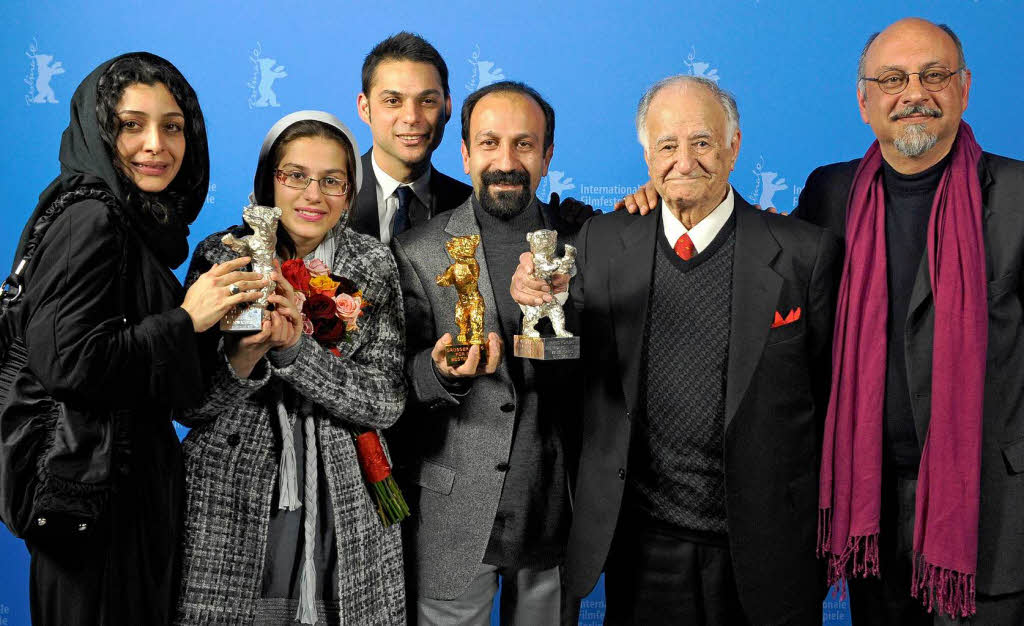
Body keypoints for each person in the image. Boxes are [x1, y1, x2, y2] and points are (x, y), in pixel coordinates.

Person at [615, 17, 1024, 625]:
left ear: (964, 89)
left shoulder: (1018, 196)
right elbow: (755, 249)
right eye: (893, 78)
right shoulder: (831, 193)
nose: (915, 92)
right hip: (866, 500)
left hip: (985, 504)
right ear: (865, 101)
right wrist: (668, 195)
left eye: (934, 75)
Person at [512, 75, 841, 625]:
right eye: (667, 145)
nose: (683, 160)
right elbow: (568, 374)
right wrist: (536, 299)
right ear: (647, 154)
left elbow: (833, 398)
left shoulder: (805, 253)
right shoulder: (601, 241)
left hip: (767, 548)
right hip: (641, 545)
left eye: (702, 142)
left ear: (734, 148)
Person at [0, 52, 260, 625]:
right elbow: (70, 363)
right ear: (99, 131)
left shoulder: (133, 221)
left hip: (124, 496)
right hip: (93, 507)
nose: (156, 145)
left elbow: (154, 378)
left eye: (172, 126)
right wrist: (186, 320)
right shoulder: (91, 217)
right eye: (131, 124)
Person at [174, 111, 407, 624]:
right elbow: (188, 403)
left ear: (350, 193)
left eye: (332, 181)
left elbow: (386, 400)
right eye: (295, 175)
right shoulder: (224, 255)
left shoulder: (373, 264)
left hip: (347, 488)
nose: (312, 195)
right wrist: (246, 356)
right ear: (267, 182)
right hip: (230, 484)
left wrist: (296, 353)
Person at [391, 81, 582, 625]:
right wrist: (439, 373)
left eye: (524, 145)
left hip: (555, 510)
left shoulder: (586, 242)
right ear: (466, 153)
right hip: (454, 514)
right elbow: (393, 379)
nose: (506, 160)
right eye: (490, 142)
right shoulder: (419, 250)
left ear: (547, 156)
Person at [351, 32, 472, 243]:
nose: (411, 117)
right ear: (365, 108)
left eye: (427, 101)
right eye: (392, 101)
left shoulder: (471, 207)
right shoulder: (326, 200)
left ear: (448, 107)